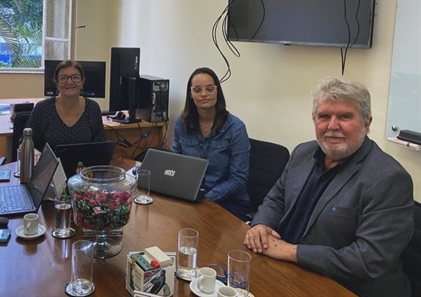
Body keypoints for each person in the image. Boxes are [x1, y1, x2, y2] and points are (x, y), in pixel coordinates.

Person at [244, 77, 414, 297]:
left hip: (344, 287)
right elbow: (276, 198)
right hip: (289, 271)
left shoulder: (389, 178)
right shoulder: (302, 153)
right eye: (324, 116)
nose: (333, 126)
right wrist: (260, 225)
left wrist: (291, 252)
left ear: (367, 122)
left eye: (345, 116)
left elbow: (368, 259)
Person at [173, 67, 251, 221]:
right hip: (192, 197)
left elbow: (238, 180)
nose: (204, 94)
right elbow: (177, 164)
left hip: (228, 201)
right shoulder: (181, 123)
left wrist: (205, 198)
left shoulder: (235, 128)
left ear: (217, 92)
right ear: (190, 94)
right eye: (197, 90)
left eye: (209, 89)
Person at [26, 60, 106, 151]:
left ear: (82, 81)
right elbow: (24, 144)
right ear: (57, 83)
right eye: (63, 78)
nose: (69, 82)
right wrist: (35, 154)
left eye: (75, 77)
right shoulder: (43, 108)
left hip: (84, 165)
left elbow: (101, 146)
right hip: (50, 165)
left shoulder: (92, 108)